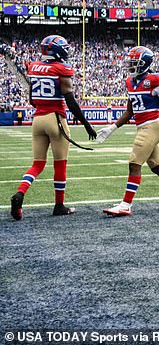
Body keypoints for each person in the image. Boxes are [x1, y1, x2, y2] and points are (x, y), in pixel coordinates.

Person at [8, 35, 97, 220]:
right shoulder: (61, 69)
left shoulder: (34, 67)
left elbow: (32, 99)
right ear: (57, 50)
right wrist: (86, 124)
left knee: (37, 164)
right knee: (60, 163)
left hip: (38, 119)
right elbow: (70, 102)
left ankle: (20, 194)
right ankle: (59, 205)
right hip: (55, 118)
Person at [96, 46, 159, 216]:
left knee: (134, 164)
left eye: (135, 63)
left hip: (152, 126)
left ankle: (125, 205)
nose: (131, 66)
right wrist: (111, 128)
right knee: (157, 167)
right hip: (142, 126)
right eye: (130, 62)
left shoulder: (155, 80)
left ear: (145, 64)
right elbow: (129, 111)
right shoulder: (130, 82)